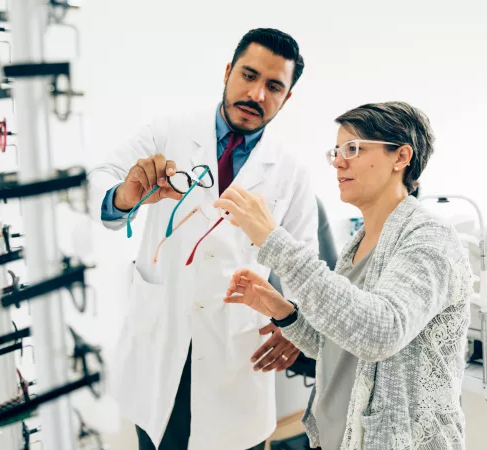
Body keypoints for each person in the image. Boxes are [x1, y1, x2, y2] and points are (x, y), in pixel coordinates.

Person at [89, 29, 319, 450]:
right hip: (163, 338)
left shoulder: (291, 172)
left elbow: (307, 265)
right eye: (248, 75)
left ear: (286, 98)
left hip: (236, 351)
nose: (256, 93)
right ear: (228, 71)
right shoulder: (168, 132)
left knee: (234, 440)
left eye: (273, 86)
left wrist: (297, 325)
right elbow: (98, 178)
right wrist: (126, 194)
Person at [217, 101, 473, 450]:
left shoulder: (430, 238)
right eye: (336, 151)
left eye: (353, 149)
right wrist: (283, 311)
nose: (338, 162)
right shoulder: (358, 244)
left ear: (400, 157)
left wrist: (273, 240)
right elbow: (338, 347)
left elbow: (379, 333)